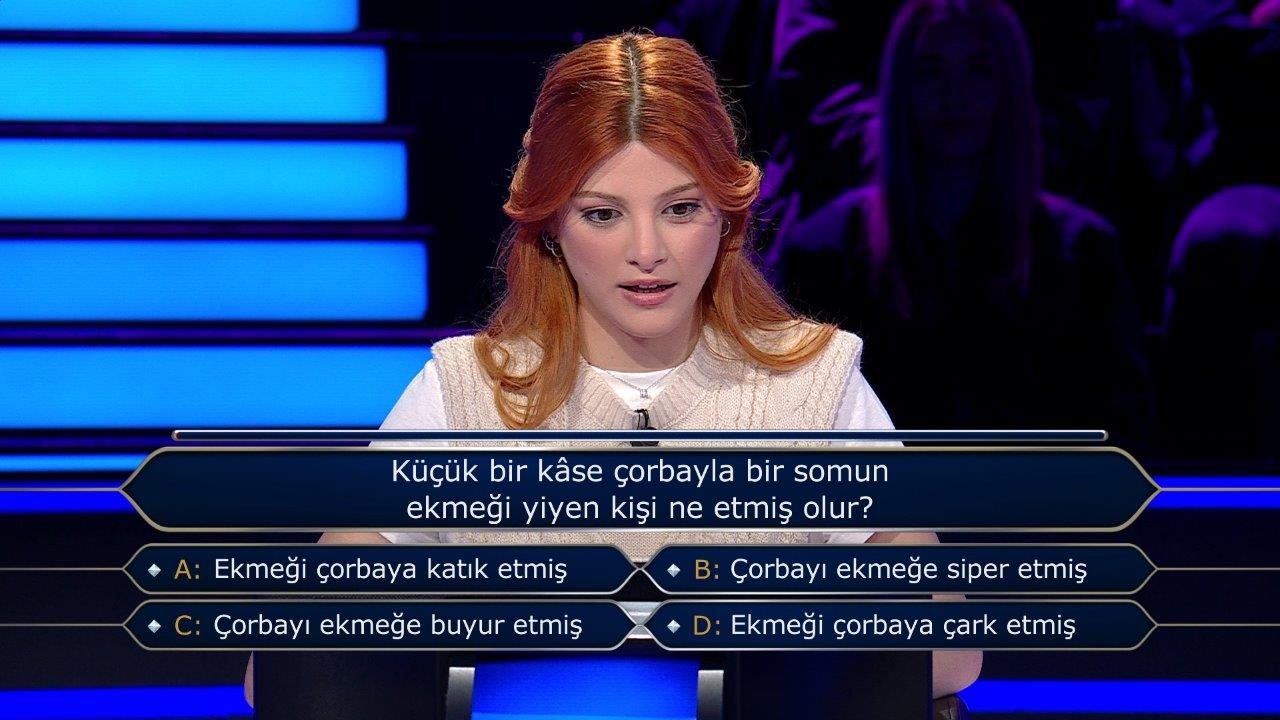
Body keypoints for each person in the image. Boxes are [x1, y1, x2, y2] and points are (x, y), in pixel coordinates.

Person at [245, 31, 980, 705]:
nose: (647, 251)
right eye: (603, 214)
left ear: (725, 215)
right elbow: (288, 668)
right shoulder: (465, 394)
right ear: (552, 226)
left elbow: (950, 649)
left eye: (680, 209)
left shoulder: (815, 384)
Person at [774, 0, 1149, 444]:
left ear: (1008, 87)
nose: (954, 97)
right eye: (931, 70)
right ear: (901, 86)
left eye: (978, 70)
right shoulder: (825, 253)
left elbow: (1115, 429)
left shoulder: (1081, 253)